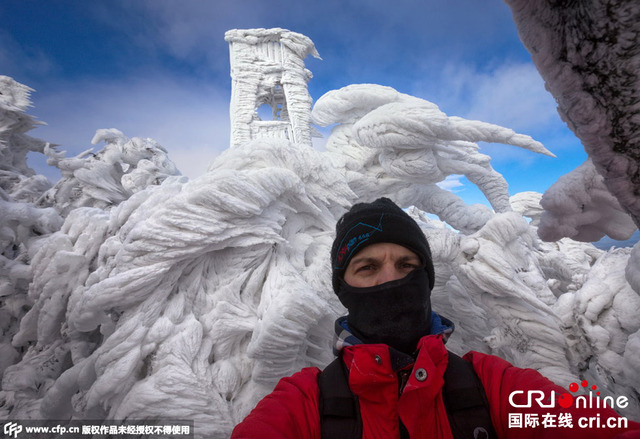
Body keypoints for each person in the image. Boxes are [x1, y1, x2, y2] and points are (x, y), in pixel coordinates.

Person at [231, 198, 640, 438]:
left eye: (407, 265)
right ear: (344, 289)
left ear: (426, 279)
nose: (391, 280)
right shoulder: (306, 402)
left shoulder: (492, 386)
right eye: (367, 268)